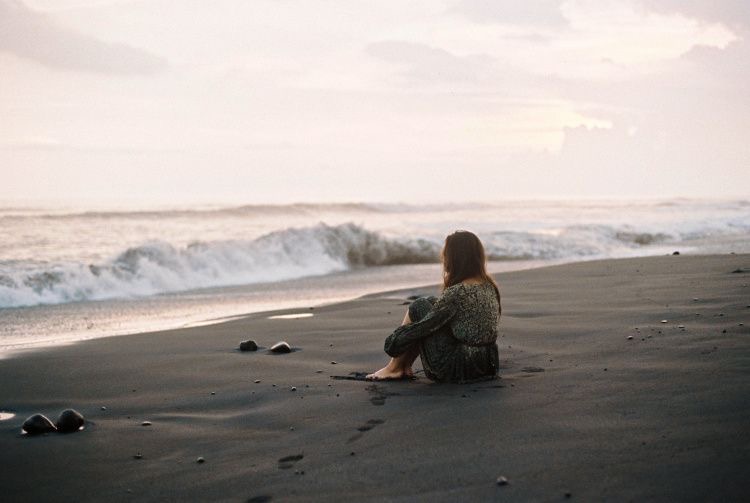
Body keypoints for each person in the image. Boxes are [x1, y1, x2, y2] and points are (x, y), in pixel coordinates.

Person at [366, 230, 502, 383]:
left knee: (419, 306)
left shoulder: (457, 292)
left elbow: (424, 326)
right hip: (487, 365)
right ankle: (404, 367)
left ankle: (394, 367)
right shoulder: (490, 286)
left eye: (446, 255)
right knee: (431, 302)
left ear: (454, 259)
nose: (444, 259)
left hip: (460, 368)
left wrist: (393, 342)